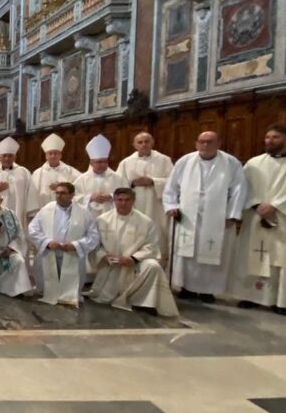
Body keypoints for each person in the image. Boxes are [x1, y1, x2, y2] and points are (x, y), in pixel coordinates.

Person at [229, 124, 286, 315]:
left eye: (275, 137)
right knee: (252, 255)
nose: (269, 141)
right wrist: (256, 205)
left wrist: (274, 205)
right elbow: (244, 188)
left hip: (285, 219)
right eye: (267, 137)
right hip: (256, 217)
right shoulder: (253, 163)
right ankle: (249, 296)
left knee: (282, 260)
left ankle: (281, 301)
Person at [163, 131, 246, 302]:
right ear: (196, 144)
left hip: (217, 218)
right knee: (187, 254)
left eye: (209, 142)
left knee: (211, 252)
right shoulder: (185, 161)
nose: (205, 145)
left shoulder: (231, 163)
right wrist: (171, 206)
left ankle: (208, 290)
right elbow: (171, 187)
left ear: (218, 143)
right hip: (187, 216)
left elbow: (239, 189)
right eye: (202, 142)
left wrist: (233, 214)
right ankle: (186, 287)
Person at [90, 188, 178, 317]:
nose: (123, 203)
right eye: (119, 200)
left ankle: (144, 302)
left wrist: (134, 258)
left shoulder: (145, 221)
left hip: (135, 264)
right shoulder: (102, 220)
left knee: (153, 266)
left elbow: (151, 245)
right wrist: (104, 256)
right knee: (105, 297)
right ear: (114, 201)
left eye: (127, 200)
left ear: (133, 201)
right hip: (112, 265)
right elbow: (95, 244)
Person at [28, 183, 100, 306]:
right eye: (57, 193)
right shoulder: (47, 209)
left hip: (71, 253)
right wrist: (47, 242)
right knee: (48, 284)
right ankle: (48, 291)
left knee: (70, 283)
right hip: (50, 252)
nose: (59, 196)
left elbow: (93, 236)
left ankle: (68, 294)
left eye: (63, 193)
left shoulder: (83, 212)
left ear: (72, 195)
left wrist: (76, 245)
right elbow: (33, 229)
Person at [116, 132, 174, 257]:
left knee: (157, 233)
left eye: (146, 141)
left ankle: (158, 262)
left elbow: (173, 182)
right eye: (140, 142)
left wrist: (153, 181)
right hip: (135, 205)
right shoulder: (126, 162)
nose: (143, 144)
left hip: (156, 206)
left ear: (152, 142)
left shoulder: (164, 160)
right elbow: (119, 184)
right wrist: (131, 183)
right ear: (134, 145)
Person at [0, 136, 38, 243]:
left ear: (15, 157)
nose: (7, 158)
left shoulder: (24, 173)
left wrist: (31, 214)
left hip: (18, 214)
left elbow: (31, 194)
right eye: (4, 156)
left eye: (10, 156)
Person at [73, 134, 129, 219]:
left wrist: (110, 196)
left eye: (105, 162)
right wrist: (90, 197)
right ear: (91, 163)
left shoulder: (118, 178)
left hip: (112, 216)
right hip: (90, 216)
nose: (103, 164)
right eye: (99, 162)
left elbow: (127, 193)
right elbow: (74, 197)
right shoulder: (82, 179)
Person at [31, 133, 81, 208]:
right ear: (46, 156)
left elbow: (79, 188)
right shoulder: (38, 173)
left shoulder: (70, 171)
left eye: (56, 153)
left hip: (66, 209)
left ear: (60, 155)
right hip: (43, 209)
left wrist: (62, 187)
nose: (53, 156)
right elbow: (32, 195)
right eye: (50, 153)